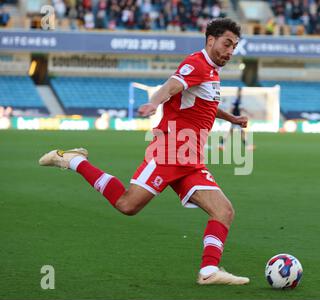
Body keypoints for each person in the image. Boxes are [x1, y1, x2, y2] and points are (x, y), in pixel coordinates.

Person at [39, 18, 250, 285]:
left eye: (234, 46)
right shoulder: (196, 63)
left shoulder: (211, 72)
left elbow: (203, 102)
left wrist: (230, 119)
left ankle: (209, 272)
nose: (230, 51)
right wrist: (153, 103)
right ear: (211, 41)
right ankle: (73, 161)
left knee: (224, 211)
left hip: (190, 159)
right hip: (168, 151)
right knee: (128, 205)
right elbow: (170, 86)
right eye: (226, 44)